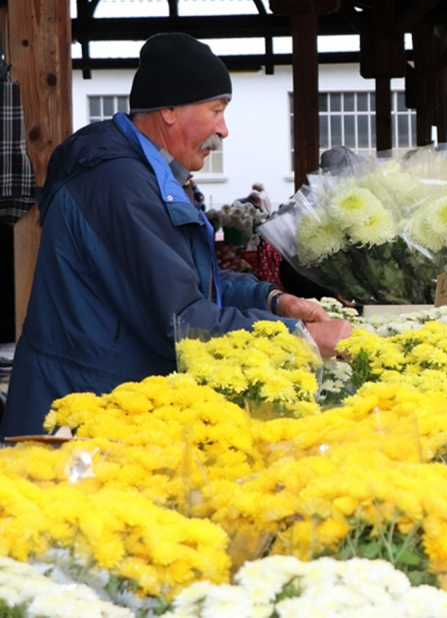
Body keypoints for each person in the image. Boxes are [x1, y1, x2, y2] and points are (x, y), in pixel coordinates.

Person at [0, 32, 353, 437]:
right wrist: (301, 340)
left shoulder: (155, 173)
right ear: (169, 110)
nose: (224, 130)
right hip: (78, 417)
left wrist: (275, 300)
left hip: (113, 406)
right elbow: (181, 321)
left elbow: (192, 282)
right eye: (216, 110)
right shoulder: (117, 183)